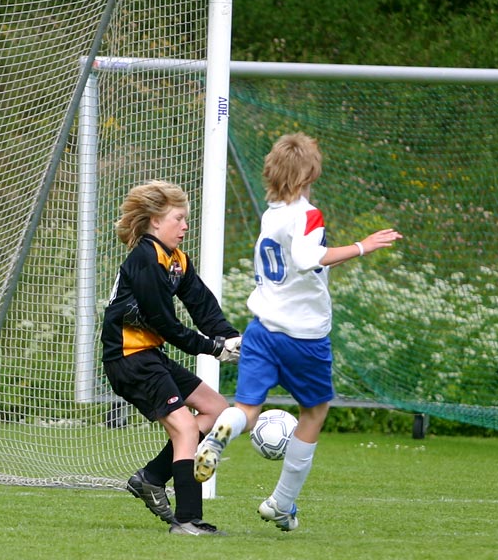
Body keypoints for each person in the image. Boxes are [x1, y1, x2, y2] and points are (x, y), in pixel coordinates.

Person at [194, 133, 401, 532]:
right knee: (315, 412)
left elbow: (300, 261)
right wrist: (363, 246)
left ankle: (220, 435)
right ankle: (282, 504)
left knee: (248, 409)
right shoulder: (308, 214)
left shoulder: (272, 214)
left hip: (261, 329)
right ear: (310, 173)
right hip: (302, 336)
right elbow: (310, 259)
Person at [102, 180, 242, 536]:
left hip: (149, 354)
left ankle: (150, 478)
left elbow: (202, 305)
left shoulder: (176, 260)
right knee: (183, 428)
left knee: (216, 409)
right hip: (128, 359)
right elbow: (164, 323)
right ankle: (187, 520)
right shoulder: (146, 259)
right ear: (154, 221)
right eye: (179, 218)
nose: (185, 226)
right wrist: (211, 348)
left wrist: (230, 337)